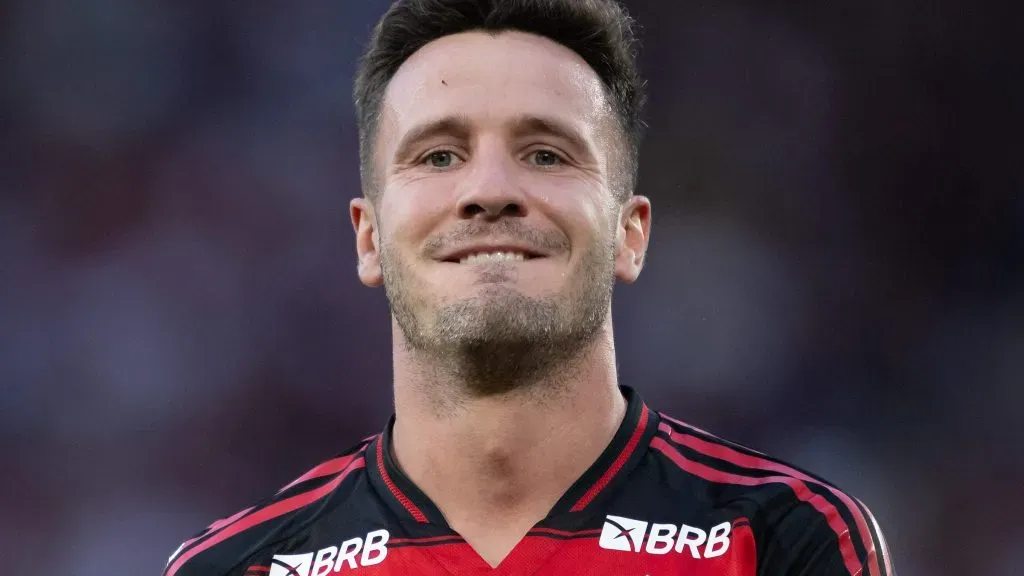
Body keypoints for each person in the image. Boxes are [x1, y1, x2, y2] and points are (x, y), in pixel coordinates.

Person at [163, 0, 895, 574]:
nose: (489, 191)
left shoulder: (781, 540)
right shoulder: (240, 566)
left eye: (545, 154)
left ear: (629, 233)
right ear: (369, 236)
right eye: (439, 155)